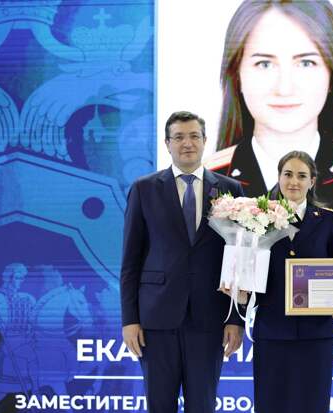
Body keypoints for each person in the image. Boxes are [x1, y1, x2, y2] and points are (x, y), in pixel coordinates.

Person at [205, 0, 333, 267]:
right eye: (264, 64)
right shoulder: (200, 186)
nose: (285, 88)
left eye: (306, 63)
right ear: (237, 75)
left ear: (332, 74)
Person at [121, 111, 245, 413]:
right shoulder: (144, 189)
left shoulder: (230, 190)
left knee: (203, 405)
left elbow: (240, 261)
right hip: (156, 319)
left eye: (193, 136)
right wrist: (129, 320)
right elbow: (130, 261)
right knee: (159, 405)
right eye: (178, 137)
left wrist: (236, 319)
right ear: (167, 143)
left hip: (210, 318)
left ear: (204, 141)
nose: (187, 143)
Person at [252, 151, 333, 413]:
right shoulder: (256, 216)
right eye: (288, 174)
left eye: (302, 176)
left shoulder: (330, 219)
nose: (294, 181)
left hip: (316, 333)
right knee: (270, 405)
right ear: (279, 177)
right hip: (272, 329)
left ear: (312, 181)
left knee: (312, 404)